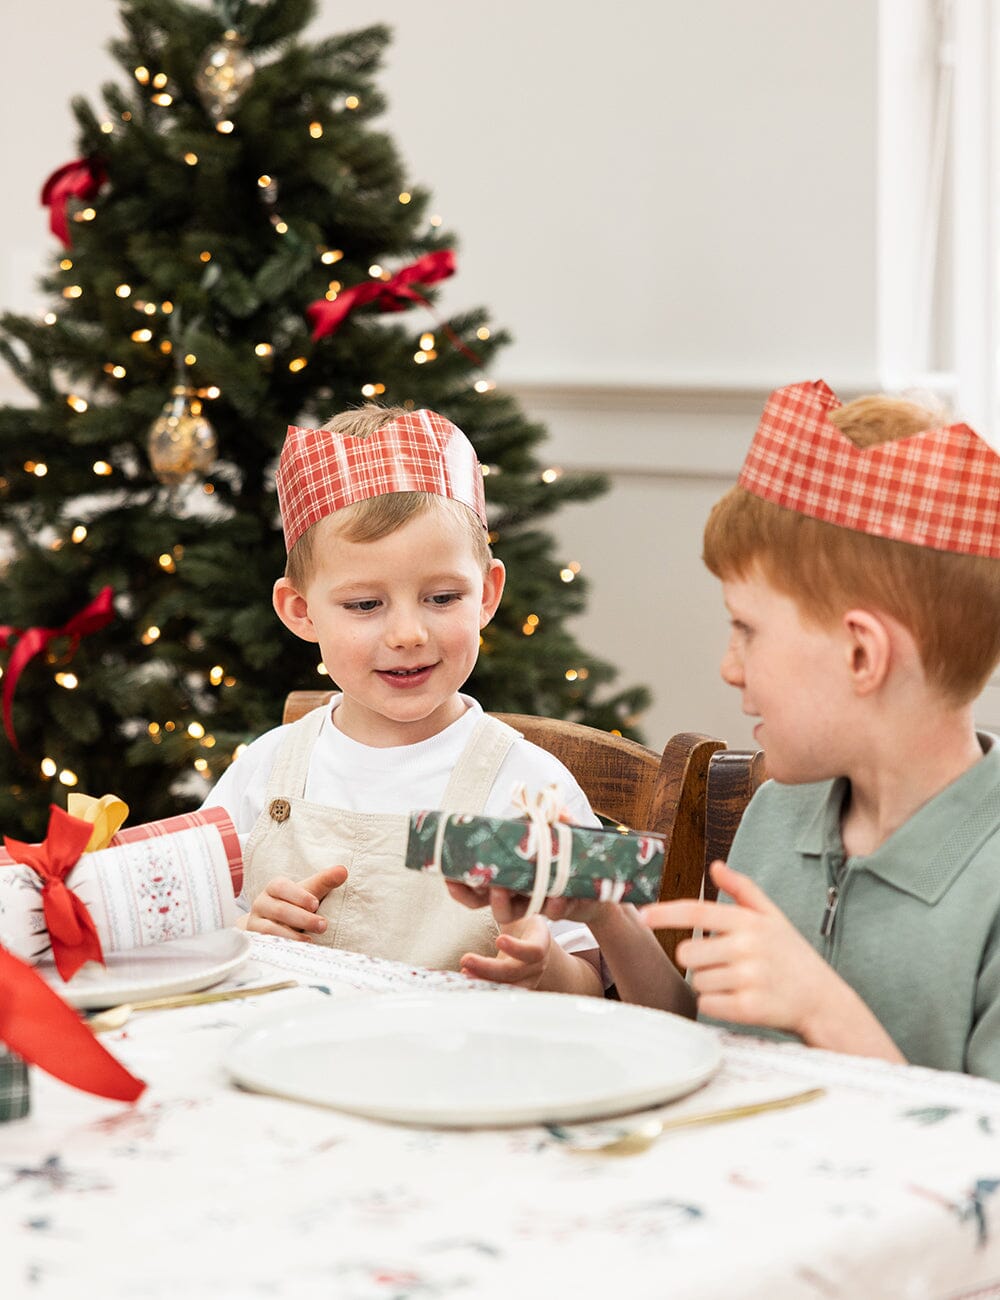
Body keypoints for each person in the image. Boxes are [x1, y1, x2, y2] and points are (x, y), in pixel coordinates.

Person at [459, 380, 1000, 1079]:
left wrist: (823, 1010)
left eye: (747, 629)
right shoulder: (779, 812)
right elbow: (706, 1040)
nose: (729, 667)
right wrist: (606, 915)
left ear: (862, 654)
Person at [200, 404, 604, 995]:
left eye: (442, 598)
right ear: (300, 610)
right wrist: (249, 932)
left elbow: (596, 986)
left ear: (487, 594)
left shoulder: (531, 789)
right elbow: (194, 937)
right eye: (365, 605)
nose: (408, 634)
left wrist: (546, 967)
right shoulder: (267, 768)